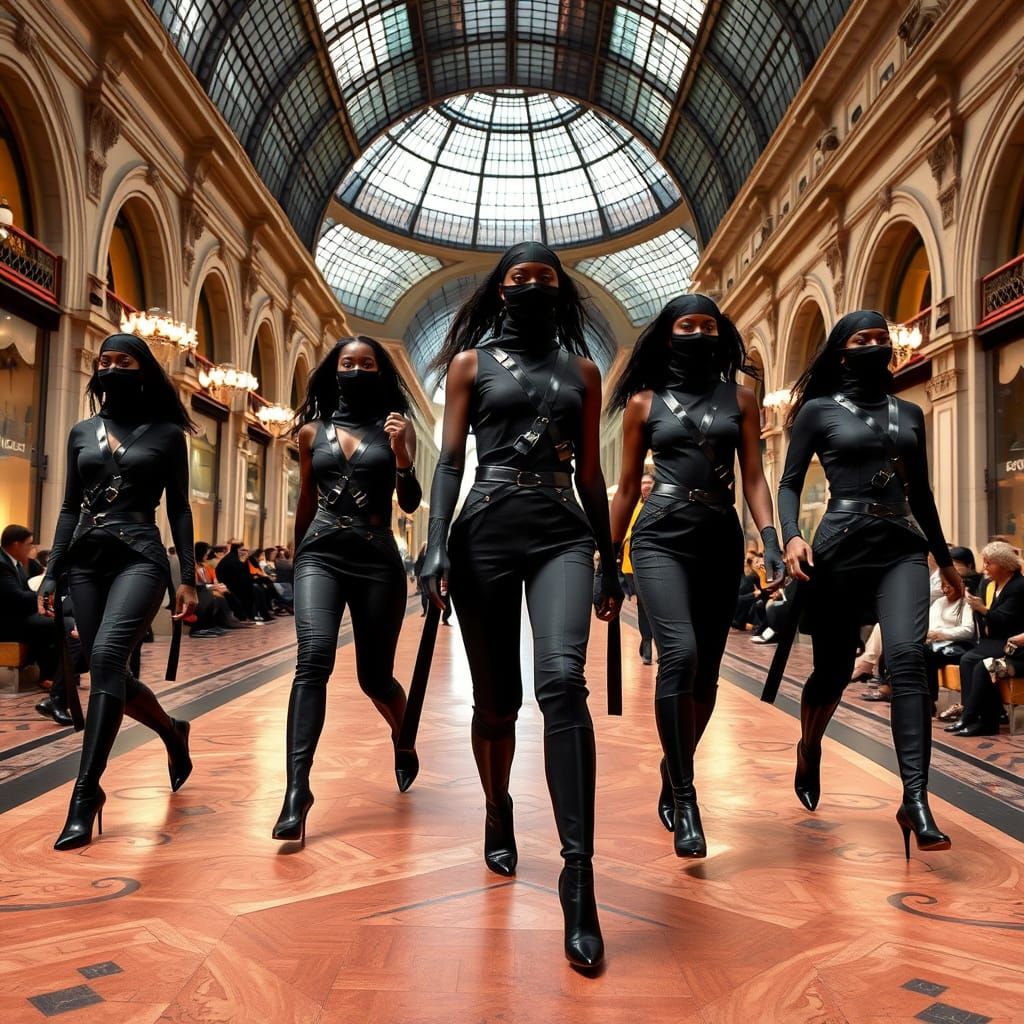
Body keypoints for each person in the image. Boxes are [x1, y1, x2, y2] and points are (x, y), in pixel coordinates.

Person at [420, 242, 622, 970]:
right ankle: (497, 805)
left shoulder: (583, 371)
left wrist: (609, 559)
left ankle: (579, 877)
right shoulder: (469, 365)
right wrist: (435, 545)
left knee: (563, 682)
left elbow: (592, 473)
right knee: (497, 702)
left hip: (562, 530)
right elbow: (450, 461)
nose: (531, 288)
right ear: (499, 290)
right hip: (485, 532)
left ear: (560, 291)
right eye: (519, 278)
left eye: (544, 279)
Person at [779, 309, 961, 858]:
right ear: (842, 351)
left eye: (883, 338)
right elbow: (789, 483)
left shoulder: (910, 413)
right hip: (840, 547)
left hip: (901, 546)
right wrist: (792, 535)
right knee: (832, 672)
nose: (876, 345)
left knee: (907, 658)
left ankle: (915, 799)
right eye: (864, 339)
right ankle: (809, 746)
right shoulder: (818, 410)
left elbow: (922, 494)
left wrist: (945, 560)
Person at [608, 293, 784, 858]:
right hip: (659, 533)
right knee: (679, 656)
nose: (700, 334)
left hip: (719, 536)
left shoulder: (742, 399)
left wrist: (771, 539)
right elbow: (627, 486)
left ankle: (672, 769)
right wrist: (606, 560)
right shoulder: (643, 403)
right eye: (688, 325)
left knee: (705, 677)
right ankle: (686, 797)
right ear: (668, 335)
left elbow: (753, 476)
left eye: (709, 326)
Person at [38, 333, 197, 850]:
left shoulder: (168, 434)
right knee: (109, 672)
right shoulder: (81, 432)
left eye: (122, 361)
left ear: (142, 369)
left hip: (141, 557)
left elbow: (179, 508)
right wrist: (53, 570)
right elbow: (68, 507)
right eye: (103, 361)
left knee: (107, 657)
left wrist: (188, 576)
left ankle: (85, 793)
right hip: (85, 561)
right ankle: (172, 731)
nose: (110, 368)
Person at [273, 334, 423, 844]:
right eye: (347, 363)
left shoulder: (397, 428)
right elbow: (306, 499)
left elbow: (409, 502)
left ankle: (403, 736)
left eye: (366, 363)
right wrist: (297, 562)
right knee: (312, 659)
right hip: (321, 553)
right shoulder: (311, 432)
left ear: (381, 373)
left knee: (374, 678)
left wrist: (401, 456)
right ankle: (297, 790)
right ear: (333, 371)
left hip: (377, 558)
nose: (355, 370)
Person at [945, 541, 1024, 736]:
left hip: (1012, 645)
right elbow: (989, 622)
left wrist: (982, 609)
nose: (985, 567)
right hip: (996, 640)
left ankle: (972, 717)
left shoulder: (1018, 586)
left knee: (977, 662)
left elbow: (1004, 619)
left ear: (1004, 564)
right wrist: (978, 609)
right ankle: (978, 717)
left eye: (990, 563)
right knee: (970, 660)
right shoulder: (989, 585)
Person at [0, 525, 59, 691]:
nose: (32, 548)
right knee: (53, 624)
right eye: (29, 544)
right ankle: (49, 676)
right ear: (16, 544)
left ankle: (57, 675)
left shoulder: (16, 564)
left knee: (56, 621)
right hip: (6, 623)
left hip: (17, 617)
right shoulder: (1, 564)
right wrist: (40, 598)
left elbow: (24, 594)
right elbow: (15, 597)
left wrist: (42, 605)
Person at [620, 472, 656, 664]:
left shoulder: (661, 504)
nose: (646, 485)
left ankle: (658, 644)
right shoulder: (633, 505)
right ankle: (647, 642)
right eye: (643, 482)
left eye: (649, 482)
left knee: (658, 605)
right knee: (643, 605)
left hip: (657, 561)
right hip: (633, 564)